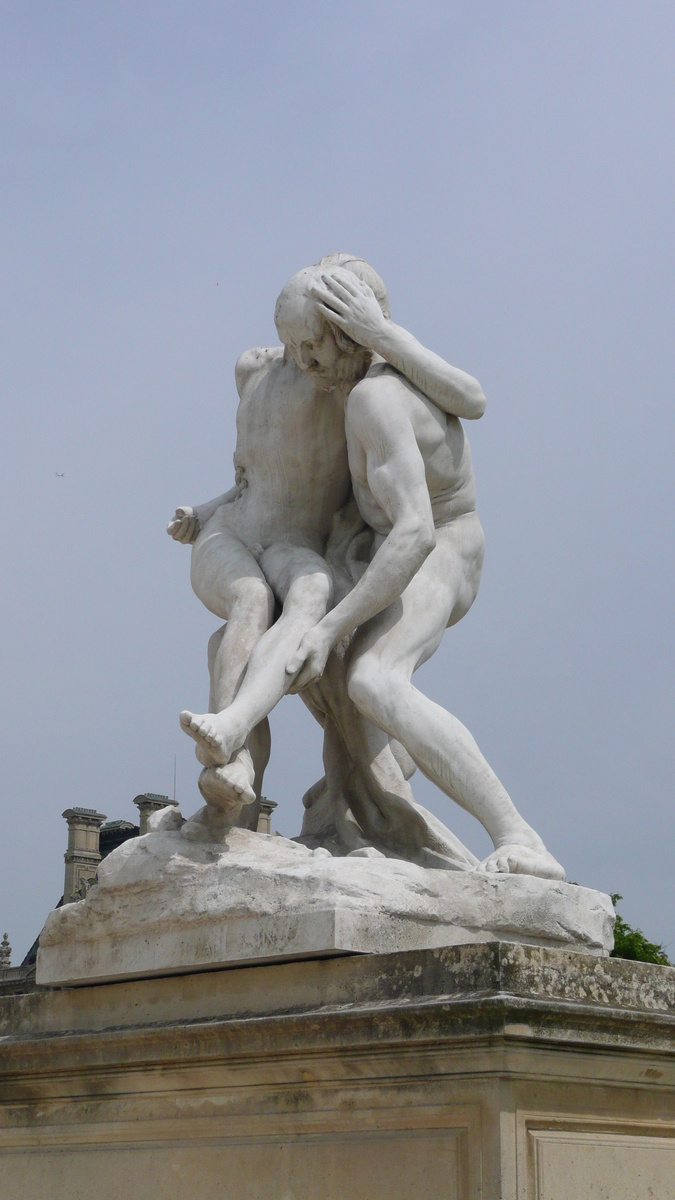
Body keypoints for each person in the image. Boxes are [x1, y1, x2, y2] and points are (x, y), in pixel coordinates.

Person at [169, 254, 481, 828]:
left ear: (349, 331)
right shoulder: (307, 382)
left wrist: (332, 626)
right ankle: (244, 772)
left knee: (361, 669)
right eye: (293, 350)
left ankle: (510, 833)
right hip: (346, 549)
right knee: (257, 629)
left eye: (313, 347)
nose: (305, 364)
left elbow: (470, 405)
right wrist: (208, 509)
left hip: (422, 550)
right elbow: (255, 480)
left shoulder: (374, 394)